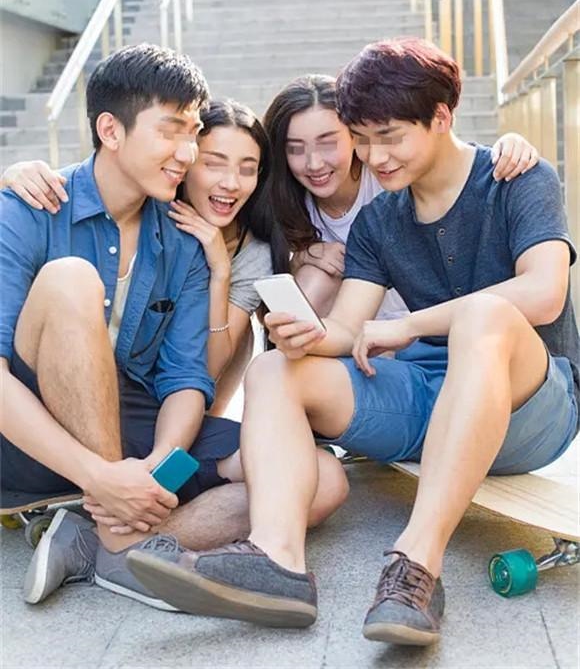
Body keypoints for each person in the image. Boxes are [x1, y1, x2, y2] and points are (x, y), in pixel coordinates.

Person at [126, 38, 579, 645]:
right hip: (426, 397)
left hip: (531, 407)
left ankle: (416, 565)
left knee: (485, 318)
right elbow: (345, 329)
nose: (374, 157)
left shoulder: (515, 178)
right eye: (363, 139)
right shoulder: (380, 219)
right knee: (274, 371)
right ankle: (276, 560)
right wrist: (308, 334)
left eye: (389, 137)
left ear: (441, 116)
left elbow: (544, 293)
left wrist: (409, 325)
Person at [0, 45, 348, 611]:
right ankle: (119, 533)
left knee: (322, 478)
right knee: (69, 279)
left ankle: (98, 546)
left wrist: (159, 468)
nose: (187, 153)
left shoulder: (184, 237)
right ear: (110, 131)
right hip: (30, 439)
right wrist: (102, 476)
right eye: (171, 132)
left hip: (134, 429)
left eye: (193, 134)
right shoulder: (30, 207)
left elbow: (186, 378)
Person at [1, 98, 290, 416]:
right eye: (213, 164)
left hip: (174, 391)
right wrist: (14, 174)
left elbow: (205, 370)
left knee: (236, 343)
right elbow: (97, 180)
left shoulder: (252, 251)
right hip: (75, 370)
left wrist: (220, 271)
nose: (231, 184)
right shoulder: (146, 206)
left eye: (247, 170)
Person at [263, 74, 539, 315]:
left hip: (420, 320)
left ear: (356, 134)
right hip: (346, 323)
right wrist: (302, 256)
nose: (314, 164)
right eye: (295, 148)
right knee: (313, 279)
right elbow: (265, 299)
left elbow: (446, 162)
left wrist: (509, 144)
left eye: (328, 143)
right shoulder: (283, 196)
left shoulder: (389, 172)